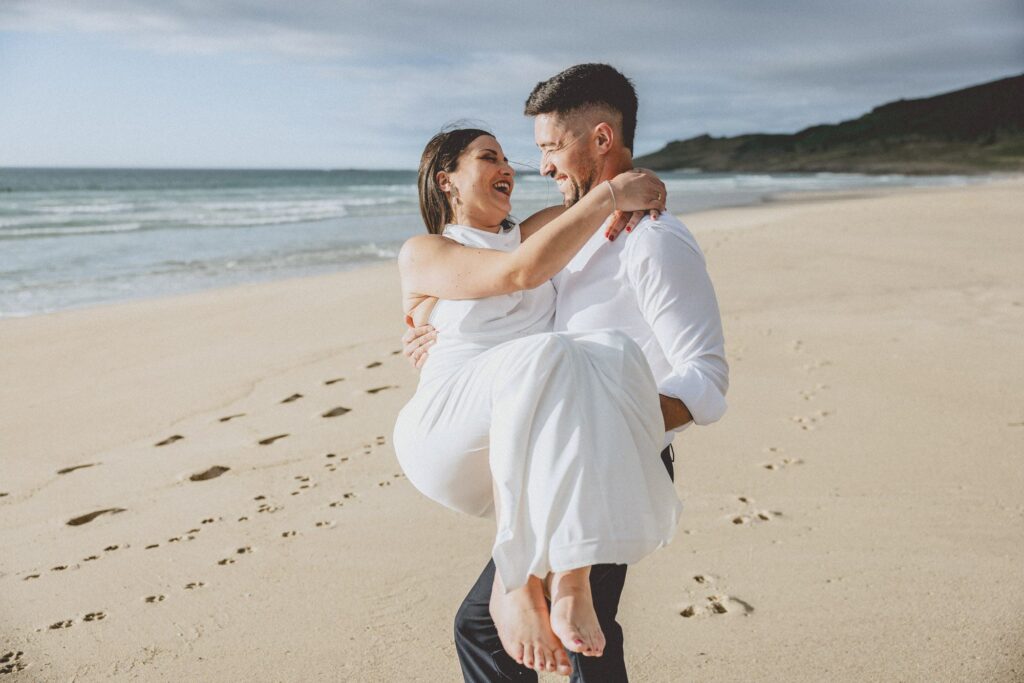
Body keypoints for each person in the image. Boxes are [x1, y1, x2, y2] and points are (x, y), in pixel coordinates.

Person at [402, 64, 729, 682]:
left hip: (611, 450)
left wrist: (605, 421)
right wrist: (423, 321)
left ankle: (522, 586)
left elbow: (705, 380)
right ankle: (522, 586)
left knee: (567, 632)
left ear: (601, 139)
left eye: (551, 147)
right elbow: (504, 279)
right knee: (511, 630)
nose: (540, 167)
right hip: (535, 451)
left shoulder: (652, 240)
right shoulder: (567, 244)